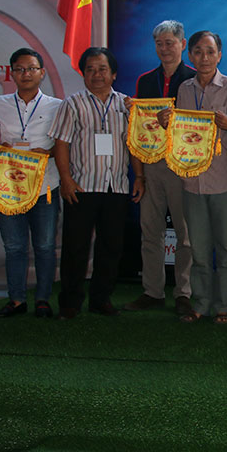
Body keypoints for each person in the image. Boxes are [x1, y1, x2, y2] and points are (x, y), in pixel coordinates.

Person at [49, 46, 144, 320]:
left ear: (113, 74)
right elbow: (61, 143)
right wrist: (66, 180)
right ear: (83, 74)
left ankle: (101, 299)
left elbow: (134, 144)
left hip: (116, 187)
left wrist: (139, 176)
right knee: (75, 247)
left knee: (111, 247)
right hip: (81, 186)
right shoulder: (72, 103)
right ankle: (70, 302)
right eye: (90, 69)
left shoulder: (127, 105)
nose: (96, 74)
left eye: (102, 69)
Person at [162, 30, 227, 325]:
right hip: (192, 181)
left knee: (225, 250)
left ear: (219, 55)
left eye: (210, 51)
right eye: (198, 51)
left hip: (225, 180)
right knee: (197, 249)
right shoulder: (184, 89)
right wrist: (166, 123)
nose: (204, 57)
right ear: (190, 55)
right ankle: (201, 304)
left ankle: (224, 306)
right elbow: (181, 134)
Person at [0, 48, 63, 319]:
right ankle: (16, 300)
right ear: (12, 74)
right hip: (9, 187)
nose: (25, 74)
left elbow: (64, 144)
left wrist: (48, 153)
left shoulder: (57, 106)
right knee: (14, 246)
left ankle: (42, 300)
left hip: (45, 185)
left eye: (31, 68)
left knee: (45, 246)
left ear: (42, 73)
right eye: (19, 69)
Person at [124, 20, 195, 317]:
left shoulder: (193, 79)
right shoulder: (145, 81)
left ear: (182, 44)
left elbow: (199, 126)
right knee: (150, 229)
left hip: (182, 164)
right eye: (159, 44)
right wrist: (139, 174)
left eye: (170, 43)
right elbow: (138, 128)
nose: (165, 49)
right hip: (152, 163)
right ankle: (152, 291)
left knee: (185, 234)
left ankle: (184, 293)